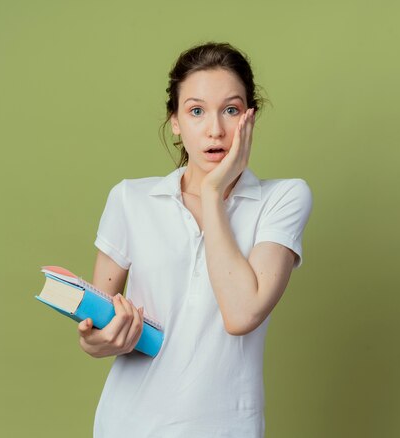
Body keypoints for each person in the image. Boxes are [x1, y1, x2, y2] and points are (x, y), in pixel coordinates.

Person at [76, 41, 313, 437]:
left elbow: (241, 315)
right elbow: (96, 330)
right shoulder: (130, 199)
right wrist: (100, 340)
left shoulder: (283, 198)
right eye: (197, 111)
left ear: (249, 118)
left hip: (227, 426)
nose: (215, 129)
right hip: (128, 424)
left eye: (231, 110)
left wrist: (211, 194)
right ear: (175, 121)